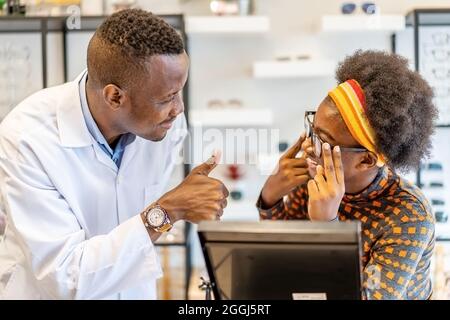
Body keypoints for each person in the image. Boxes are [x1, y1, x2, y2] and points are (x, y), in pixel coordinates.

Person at [0, 9, 228, 299]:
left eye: (179, 92)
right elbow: (66, 278)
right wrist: (166, 211)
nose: (179, 108)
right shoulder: (27, 139)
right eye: (167, 98)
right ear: (114, 96)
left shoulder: (166, 126)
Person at [257, 50, 437, 300]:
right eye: (313, 129)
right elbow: (283, 257)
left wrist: (327, 227)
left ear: (366, 159)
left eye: (324, 140)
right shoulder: (314, 177)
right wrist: (271, 196)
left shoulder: (410, 216)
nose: (309, 147)